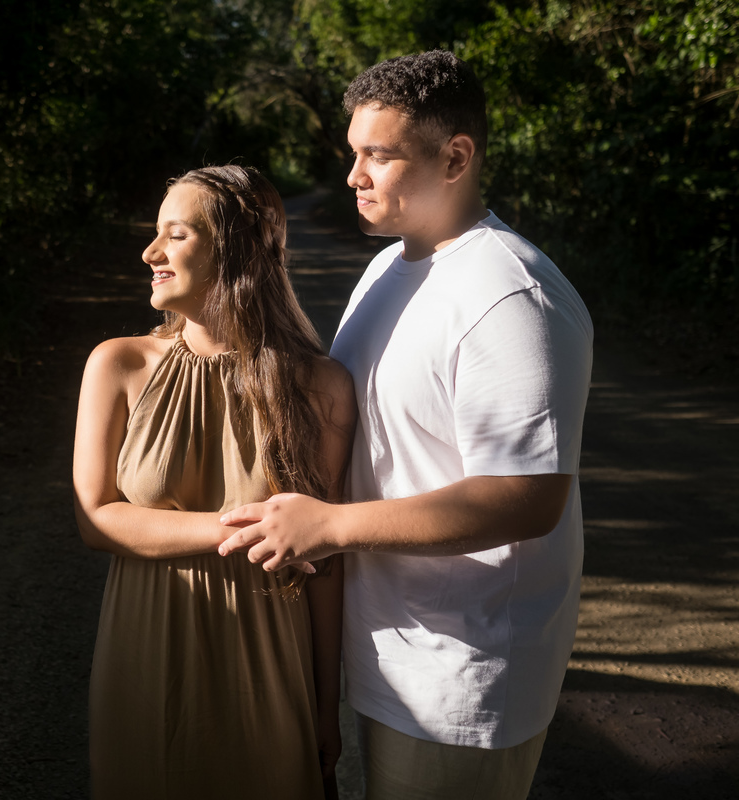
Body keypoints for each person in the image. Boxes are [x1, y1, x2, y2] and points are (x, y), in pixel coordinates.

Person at [218, 51, 594, 799]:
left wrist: (329, 526)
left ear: (455, 157)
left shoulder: (510, 297)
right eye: (353, 153)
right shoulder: (389, 267)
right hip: (394, 650)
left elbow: (525, 497)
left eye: (377, 156)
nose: (354, 175)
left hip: (464, 676)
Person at [73, 165, 357, 799]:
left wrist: (325, 703)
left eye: (175, 235)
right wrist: (248, 526)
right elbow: (97, 518)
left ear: (234, 251)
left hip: (267, 664)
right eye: (156, 235)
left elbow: (327, 565)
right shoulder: (117, 365)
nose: (151, 253)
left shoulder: (320, 386)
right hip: (145, 658)